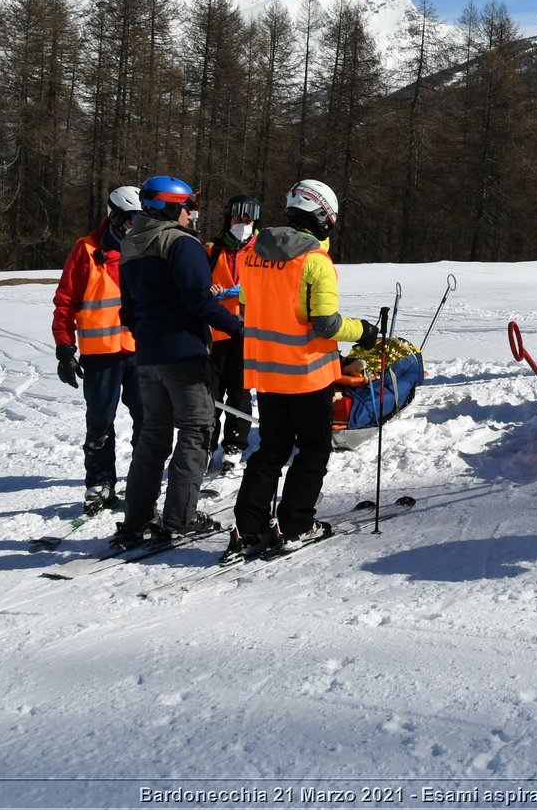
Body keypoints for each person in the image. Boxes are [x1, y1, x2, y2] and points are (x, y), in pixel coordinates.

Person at [232, 179, 380, 554]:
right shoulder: (315, 261)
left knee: (270, 449)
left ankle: (249, 526)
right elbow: (326, 323)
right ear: (323, 218)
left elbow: (248, 309)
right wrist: (363, 331)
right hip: (307, 374)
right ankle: (296, 524)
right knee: (313, 450)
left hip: (265, 372)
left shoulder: (250, 252)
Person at [114, 176, 245, 547]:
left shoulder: (131, 244)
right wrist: (238, 329)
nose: (192, 214)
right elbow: (199, 302)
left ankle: (136, 519)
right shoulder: (180, 243)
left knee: (153, 435)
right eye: (187, 206)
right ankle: (179, 519)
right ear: (172, 206)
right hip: (184, 354)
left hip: (148, 355)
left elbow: (129, 309)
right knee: (196, 431)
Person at [51, 186, 144, 513]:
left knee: (148, 419)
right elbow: (65, 301)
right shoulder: (86, 251)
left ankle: (141, 481)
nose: (137, 225)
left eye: (142, 219)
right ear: (116, 218)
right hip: (101, 355)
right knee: (100, 423)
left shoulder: (147, 249)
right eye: (131, 219)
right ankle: (101, 484)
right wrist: (65, 347)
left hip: (140, 352)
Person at [206, 193, 260, 474]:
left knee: (240, 394)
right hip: (214, 334)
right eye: (239, 219)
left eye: (248, 220)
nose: (243, 224)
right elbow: (196, 285)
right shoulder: (211, 250)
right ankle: (206, 445)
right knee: (210, 395)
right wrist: (208, 292)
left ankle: (235, 444)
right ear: (228, 220)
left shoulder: (262, 251)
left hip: (246, 332)